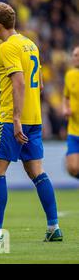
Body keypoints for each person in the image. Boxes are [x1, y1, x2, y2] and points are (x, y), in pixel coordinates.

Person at [0, 2, 62, 243]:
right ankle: (54, 227)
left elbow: (19, 82)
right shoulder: (30, 44)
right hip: (35, 119)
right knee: (36, 171)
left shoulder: (7, 47)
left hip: (13, 119)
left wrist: (17, 118)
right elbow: (39, 84)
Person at [62, 45, 79, 180]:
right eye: (74, 55)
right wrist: (65, 108)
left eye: (77, 55)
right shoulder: (69, 75)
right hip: (74, 129)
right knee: (72, 168)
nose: (75, 58)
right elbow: (66, 97)